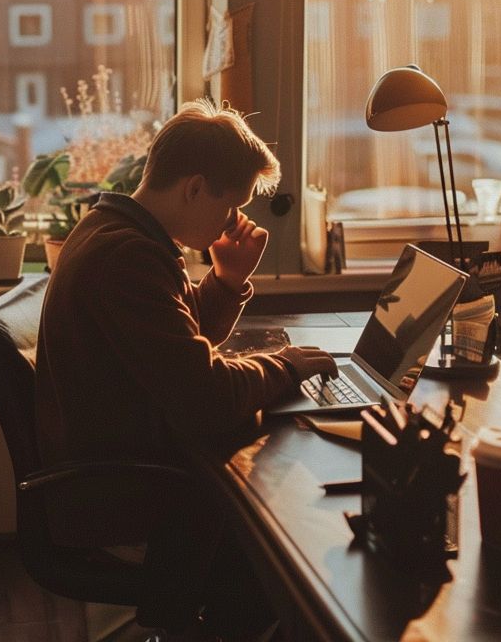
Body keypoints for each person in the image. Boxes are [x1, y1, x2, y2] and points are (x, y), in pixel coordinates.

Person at [34, 100, 337, 637]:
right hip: (128, 494)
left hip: (131, 464)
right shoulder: (126, 258)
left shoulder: (115, 232)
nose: (233, 223)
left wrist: (224, 281)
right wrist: (286, 365)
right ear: (195, 188)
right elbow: (204, 395)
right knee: (281, 541)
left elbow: (170, 346)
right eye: (230, 207)